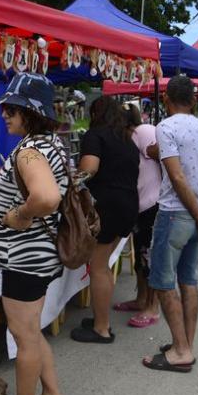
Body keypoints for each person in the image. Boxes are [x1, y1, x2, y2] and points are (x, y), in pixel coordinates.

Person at [0, 72, 69, 395]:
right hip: (37, 256)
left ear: (31, 112)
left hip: (25, 258)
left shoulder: (31, 151)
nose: (4, 113)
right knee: (31, 331)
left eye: (13, 108)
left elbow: (47, 197)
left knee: (24, 335)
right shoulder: (50, 144)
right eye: (5, 107)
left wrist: (19, 215)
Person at [142, 75, 198, 373]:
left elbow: (176, 177)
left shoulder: (165, 127)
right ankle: (185, 344)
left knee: (164, 283)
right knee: (189, 279)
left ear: (166, 99)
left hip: (175, 214)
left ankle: (181, 351)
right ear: (193, 101)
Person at [70, 96, 140, 343]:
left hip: (107, 207)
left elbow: (90, 167)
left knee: (98, 267)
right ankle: (101, 318)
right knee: (104, 265)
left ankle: (101, 328)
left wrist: (72, 179)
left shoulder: (95, 135)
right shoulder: (127, 140)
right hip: (128, 206)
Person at [112, 103, 163, 328]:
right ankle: (142, 299)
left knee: (149, 258)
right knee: (141, 259)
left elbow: (163, 152)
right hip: (140, 206)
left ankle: (152, 308)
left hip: (153, 205)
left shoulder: (142, 132)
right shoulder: (127, 138)